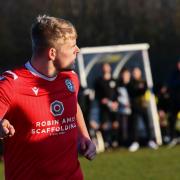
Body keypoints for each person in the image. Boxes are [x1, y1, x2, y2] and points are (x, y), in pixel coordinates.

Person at [0, 15, 96, 180]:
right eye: (72, 46)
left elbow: (73, 105)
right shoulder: (12, 83)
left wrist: (83, 136)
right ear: (52, 53)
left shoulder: (70, 79)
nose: (77, 50)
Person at [128, 67, 158, 152]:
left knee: (147, 123)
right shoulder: (131, 83)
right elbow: (133, 91)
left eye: (136, 73)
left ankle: (151, 140)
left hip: (143, 106)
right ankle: (135, 142)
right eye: (134, 73)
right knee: (135, 125)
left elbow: (144, 90)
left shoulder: (143, 81)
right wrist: (139, 89)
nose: (135, 74)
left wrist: (140, 89)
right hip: (134, 106)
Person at [94, 63, 119, 149]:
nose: (106, 68)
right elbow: (97, 95)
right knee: (104, 125)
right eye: (104, 67)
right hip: (103, 107)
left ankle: (114, 141)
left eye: (107, 67)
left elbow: (117, 93)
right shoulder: (99, 81)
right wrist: (102, 100)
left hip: (113, 106)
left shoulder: (114, 80)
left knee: (115, 124)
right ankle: (106, 142)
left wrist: (116, 102)